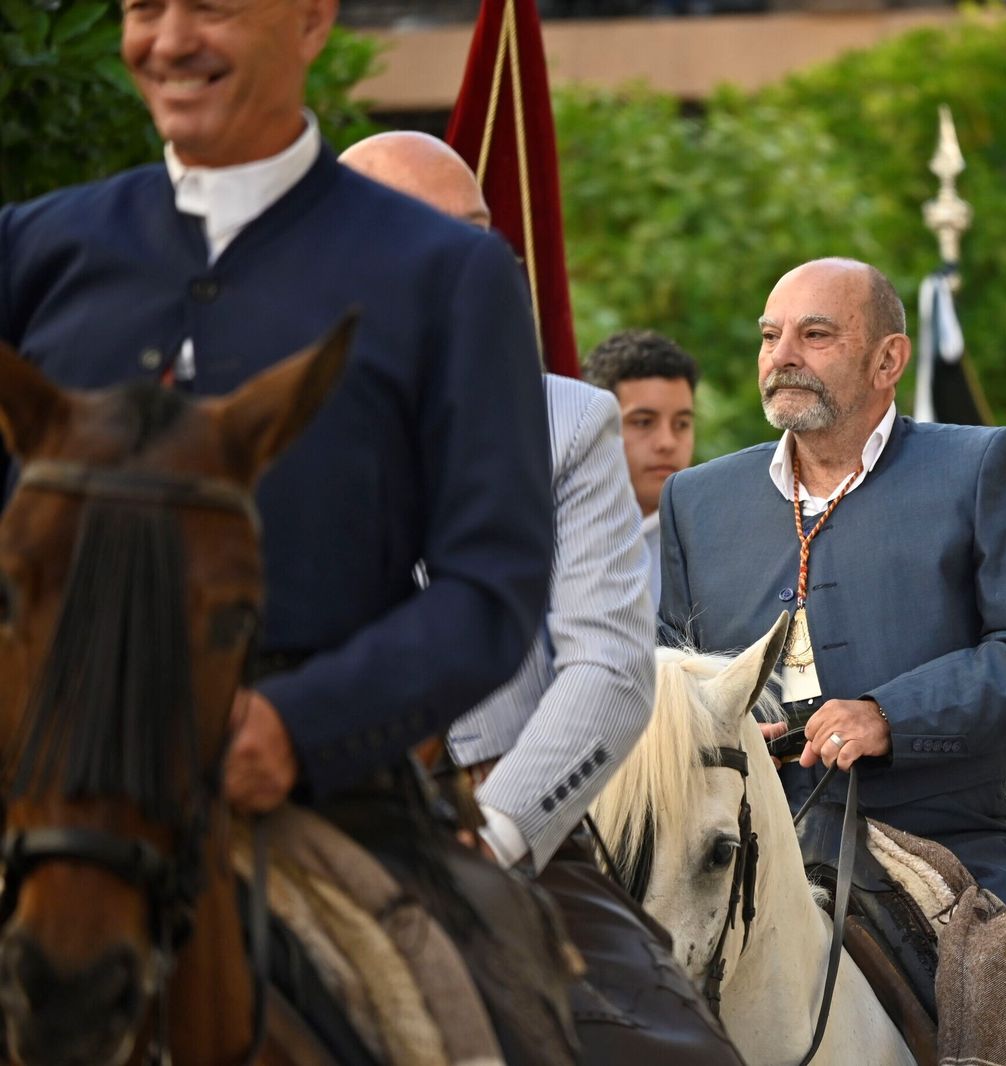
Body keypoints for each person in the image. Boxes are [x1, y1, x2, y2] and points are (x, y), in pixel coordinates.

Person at [0, 1, 566, 1055]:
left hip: (324, 792)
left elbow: (492, 587)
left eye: (211, 6)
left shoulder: (449, 273)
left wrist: (300, 727)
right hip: (43, 787)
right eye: (143, 7)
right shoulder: (27, 250)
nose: (169, 40)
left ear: (310, 21)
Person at [657, 257, 1006, 1064]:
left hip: (942, 832)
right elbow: (675, 677)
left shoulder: (980, 465)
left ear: (889, 360)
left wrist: (889, 716)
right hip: (739, 834)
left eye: (816, 335)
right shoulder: (698, 499)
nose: (783, 355)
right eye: (771, 336)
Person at [340, 130, 743, 1066]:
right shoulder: (252, 402)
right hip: (299, 805)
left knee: (685, 1055)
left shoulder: (568, 421)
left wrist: (495, 837)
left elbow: (610, 669)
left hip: (504, 821)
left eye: (484, 238)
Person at [584, 330, 698, 606]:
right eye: (643, 422)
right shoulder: (554, 536)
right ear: (595, 427)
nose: (667, 442)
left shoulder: (711, 542)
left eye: (681, 424)